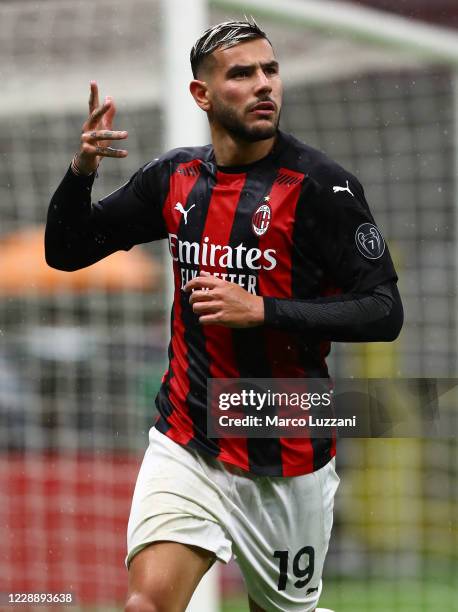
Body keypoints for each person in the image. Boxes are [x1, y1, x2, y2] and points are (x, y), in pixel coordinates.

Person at [45, 19, 403, 612]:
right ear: (202, 95)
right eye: (242, 74)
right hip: (188, 435)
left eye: (271, 70)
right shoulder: (175, 178)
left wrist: (263, 310)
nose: (265, 85)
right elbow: (66, 251)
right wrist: (81, 172)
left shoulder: (323, 189)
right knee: (147, 605)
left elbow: (384, 311)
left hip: (287, 449)